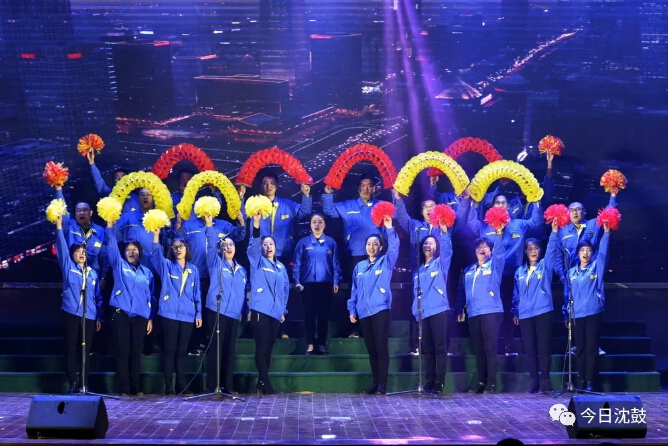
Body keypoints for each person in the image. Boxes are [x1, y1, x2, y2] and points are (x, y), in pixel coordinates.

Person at [459, 188, 542, 357]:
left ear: (508, 207)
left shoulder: (518, 224)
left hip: (512, 275)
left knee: (510, 310)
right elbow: (470, 222)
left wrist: (536, 201)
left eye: (504, 202)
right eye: (497, 202)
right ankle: (491, 346)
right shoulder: (486, 227)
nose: (501, 205)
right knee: (492, 314)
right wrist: (472, 202)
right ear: (492, 206)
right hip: (490, 278)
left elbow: (536, 222)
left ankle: (508, 345)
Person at [240, 174, 312, 338]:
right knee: (256, 290)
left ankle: (281, 326)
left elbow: (304, 211)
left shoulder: (287, 204)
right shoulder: (254, 204)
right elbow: (242, 215)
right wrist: (242, 198)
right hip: (259, 255)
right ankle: (252, 327)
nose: (268, 186)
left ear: (277, 186)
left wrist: (306, 195)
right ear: (261, 186)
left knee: (281, 290)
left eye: (272, 183)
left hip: (282, 254)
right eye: (265, 183)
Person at [174, 203, 246, 355]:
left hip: (216, 277)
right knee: (195, 309)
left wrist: (241, 222)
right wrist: (178, 225)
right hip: (195, 274)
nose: (207, 210)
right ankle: (195, 343)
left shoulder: (223, 225)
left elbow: (239, 236)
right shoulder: (190, 225)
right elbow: (177, 240)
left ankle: (209, 343)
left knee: (211, 310)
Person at [323, 173, 385, 337]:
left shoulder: (381, 207)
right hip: (355, 255)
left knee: (376, 291)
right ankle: (356, 327)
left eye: (369, 185)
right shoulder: (348, 205)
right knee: (356, 291)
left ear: (374, 189)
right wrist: (328, 195)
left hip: (377, 257)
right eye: (363, 185)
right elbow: (329, 210)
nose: (366, 188)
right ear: (358, 189)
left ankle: (376, 327)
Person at [348, 215, 399, 395]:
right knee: (371, 349)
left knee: (381, 347)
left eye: (375, 244)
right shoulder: (359, 267)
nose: (372, 247)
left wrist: (389, 228)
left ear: (381, 247)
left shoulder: (386, 262)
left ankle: (382, 384)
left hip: (380, 309)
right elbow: (354, 290)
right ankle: (375, 382)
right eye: (369, 244)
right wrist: (352, 309)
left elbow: (395, 247)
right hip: (363, 312)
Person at [149, 229, 202, 395]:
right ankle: (168, 385)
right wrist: (156, 236)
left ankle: (181, 384)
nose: (178, 249)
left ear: (187, 249)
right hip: (168, 314)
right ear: (171, 250)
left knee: (182, 351)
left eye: (181, 246)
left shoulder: (194, 270)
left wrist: (199, 313)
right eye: (175, 247)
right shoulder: (166, 266)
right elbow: (155, 255)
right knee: (170, 350)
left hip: (187, 315)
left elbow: (197, 294)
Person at [53, 214, 102, 394]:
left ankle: (84, 383)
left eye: (84, 251)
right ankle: (73, 382)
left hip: (89, 315)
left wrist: (98, 316)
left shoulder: (93, 273)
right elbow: (61, 247)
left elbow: (97, 297)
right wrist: (59, 227)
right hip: (71, 313)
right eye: (78, 251)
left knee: (85, 350)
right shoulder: (68, 268)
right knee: (71, 348)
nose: (81, 254)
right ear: (72, 254)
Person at [105, 220, 154, 396]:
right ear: (123, 253)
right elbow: (111, 248)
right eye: (128, 250)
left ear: (139, 252)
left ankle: (136, 388)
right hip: (121, 314)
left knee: (136, 353)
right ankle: (124, 388)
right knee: (122, 352)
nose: (132, 252)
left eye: (135, 249)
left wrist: (150, 317)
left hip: (140, 316)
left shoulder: (147, 272)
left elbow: (150, 296)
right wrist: (109, 227)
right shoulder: (119, 265)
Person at [456, 227, 506, 394]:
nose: (482, 249)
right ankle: (481, 381)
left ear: (490, 251)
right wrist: (460, 309)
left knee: (490, 348)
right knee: (478, 349)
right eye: (479, 247)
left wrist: (498, 236)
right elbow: (461, 291)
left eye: (486, 246)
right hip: (473, 313)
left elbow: (500, 254)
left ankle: (491, 383)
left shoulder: (495, 266)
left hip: (491, 311)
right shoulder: (469, 270)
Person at [511, 222, 559, 394]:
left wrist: (554, 232)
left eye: (536, 248)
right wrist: (515, 311)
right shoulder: (519, 272)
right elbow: (516, 293)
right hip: (525, 314)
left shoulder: (545, 266)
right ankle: (534, 381)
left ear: (540, 250)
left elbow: (552, 250)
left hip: (543, 311)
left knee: (544, 348)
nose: (533, 251)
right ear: (525, 252)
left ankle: (545, 380)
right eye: (530, 249)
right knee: (530, 350)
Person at [204, 213, 248, 394]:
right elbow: (210, 245)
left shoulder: (242, 270)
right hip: (217, 312)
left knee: (230, 351)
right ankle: (213, 386)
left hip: (234, 315)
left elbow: (243, 294)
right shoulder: (215, 263)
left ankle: (228, 386)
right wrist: (209, 226)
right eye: (225, 245)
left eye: (231, 245)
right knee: (216, 350)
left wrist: (243, 313)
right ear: (220, 249)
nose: (228, 247)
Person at [248, 211, 290, 395]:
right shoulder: (257, 261)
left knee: (269, 348)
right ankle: (265, 382)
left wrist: (283, 310)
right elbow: (253, 246)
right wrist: (256, 224)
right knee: (262, 346)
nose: (268, 247)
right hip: (260, 310)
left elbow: (285, 290)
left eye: (271, 244)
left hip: (275, 313)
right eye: (265, 244)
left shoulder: (281, 267)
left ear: (275, 247)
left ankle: (262, 381)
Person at [567, 226, 611, 392]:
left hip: (593, 313)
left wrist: (606, 233)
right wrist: (567, 314)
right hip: (576, 315)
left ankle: (591, 381)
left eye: (588, 250)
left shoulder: (596, 267)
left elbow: (604, 253)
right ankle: (582, 380)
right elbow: (568, 295)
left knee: (592, 348)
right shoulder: (571, 272)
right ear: (578, 253)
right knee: (580, 349)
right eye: (582, 250)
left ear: (592, 253)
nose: (585, 253)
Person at [293, 214, 341, 355]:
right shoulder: (303, 243)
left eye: (320, 222)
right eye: (314, 222)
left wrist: (336, 281)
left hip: (325, 284)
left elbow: (336, 264)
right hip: (307, 285)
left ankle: (321, 344)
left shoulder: (331, 242)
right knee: (309, 315)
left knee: (322, 316)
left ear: (325, 225)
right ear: (310, 225)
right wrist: (297, 281)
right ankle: (310, 344)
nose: (317, 225)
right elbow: (297, 264)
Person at [412, 225, 452, 394]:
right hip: (423, 312)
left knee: (439, 347)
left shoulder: (440, 263)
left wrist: (444, 233)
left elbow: (448, 250)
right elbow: (415, 292)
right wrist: (415, 310)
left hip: (438, 309)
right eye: (425, 243)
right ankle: (429, 379)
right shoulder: (418, 269)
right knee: (427, 347)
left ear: (437, 246)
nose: (428, 245)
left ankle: (439, 381)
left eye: (431, 243)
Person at [53, 186, 107, 277]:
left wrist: (103, 278)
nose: (81, 213)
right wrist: (58, 189)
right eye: (78, 211)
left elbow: (105, 258)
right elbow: (62, 208)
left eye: (84, 210)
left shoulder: (101, 232)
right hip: (72, 277)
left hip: (94, 279)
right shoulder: (69, 226)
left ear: (91, 213)